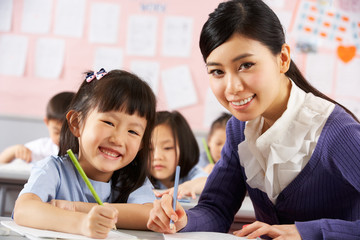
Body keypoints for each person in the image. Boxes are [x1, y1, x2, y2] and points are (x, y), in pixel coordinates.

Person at [146, 0, 360, 239]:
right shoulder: (239, 129)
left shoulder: (337, 132)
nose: (232, 87)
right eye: (217, 71)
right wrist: (183, 220)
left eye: (246, 65)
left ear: (283, 59)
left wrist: (307, 232)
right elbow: (216, 209)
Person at [13, 69, 157, 239]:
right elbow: (23, 209)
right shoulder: (54, 170)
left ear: (142, 144)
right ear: (76, 123)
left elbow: (149, 215)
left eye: (133, 131)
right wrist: (81, 223)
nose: (118, 139)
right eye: (108, 122)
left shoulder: (133, 180)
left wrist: (78, 208)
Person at [0, 91, 75, 164]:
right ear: (47, 122)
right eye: (56, 132)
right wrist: (14, 151)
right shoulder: (41, 148)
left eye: (68, 134)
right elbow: (1, 162)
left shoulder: (83, 151)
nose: (62, 138)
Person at [149, 110, 208, 199]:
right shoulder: (140, 179)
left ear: (185, 147)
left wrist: (190, 186)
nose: (157, 157)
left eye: (167, 148)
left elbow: (207, 181)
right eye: (149, 149)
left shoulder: (191, 172)